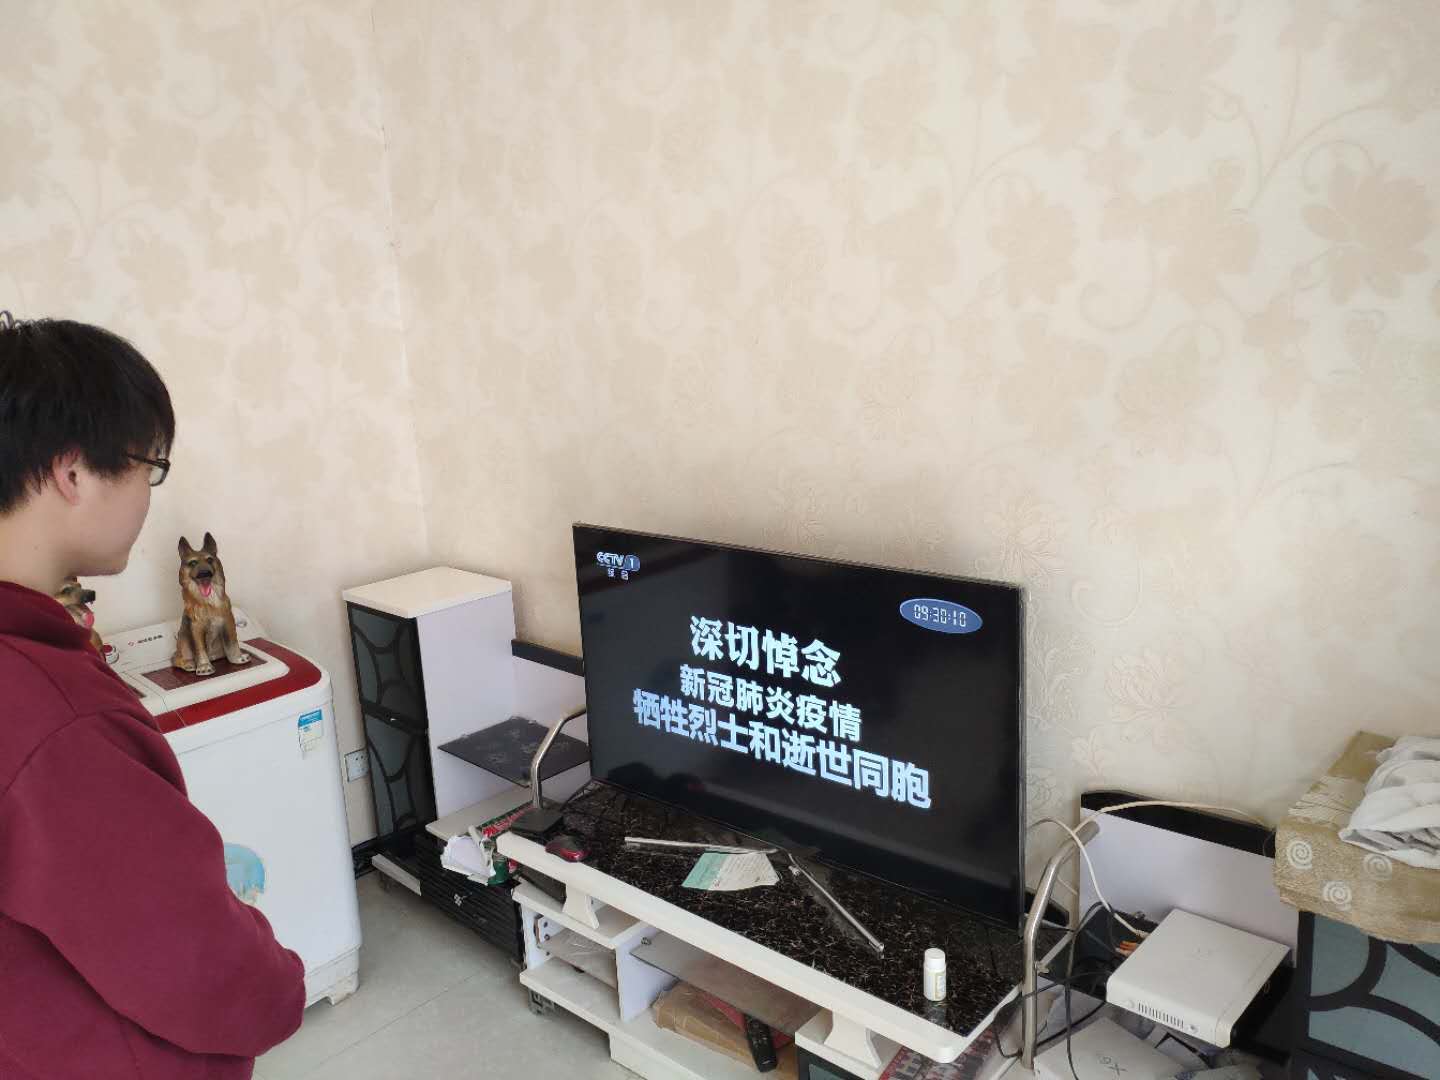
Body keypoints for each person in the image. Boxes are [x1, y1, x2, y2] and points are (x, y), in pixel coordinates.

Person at [0, 313, 305, 1079]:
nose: (147, 494)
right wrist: (281, 977)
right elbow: (210, 972)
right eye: (148, 467)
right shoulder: (55, 716)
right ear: (72, 473)